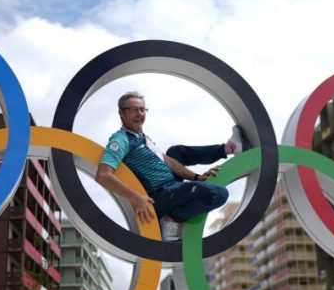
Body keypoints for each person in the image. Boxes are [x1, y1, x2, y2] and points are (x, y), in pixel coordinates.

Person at [96, 91, 248, 240]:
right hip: (160, 195)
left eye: (142, 109)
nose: (139, 114)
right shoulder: (121, 140)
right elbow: (103, 175)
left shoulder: (143, 138)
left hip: (171, 185)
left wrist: (196, 177)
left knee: (175, 152)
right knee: (219, 194)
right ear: (122, 114)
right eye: (134, 110)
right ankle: (172, 220)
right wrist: (137, 198)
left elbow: (168, 161)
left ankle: (229, 148)